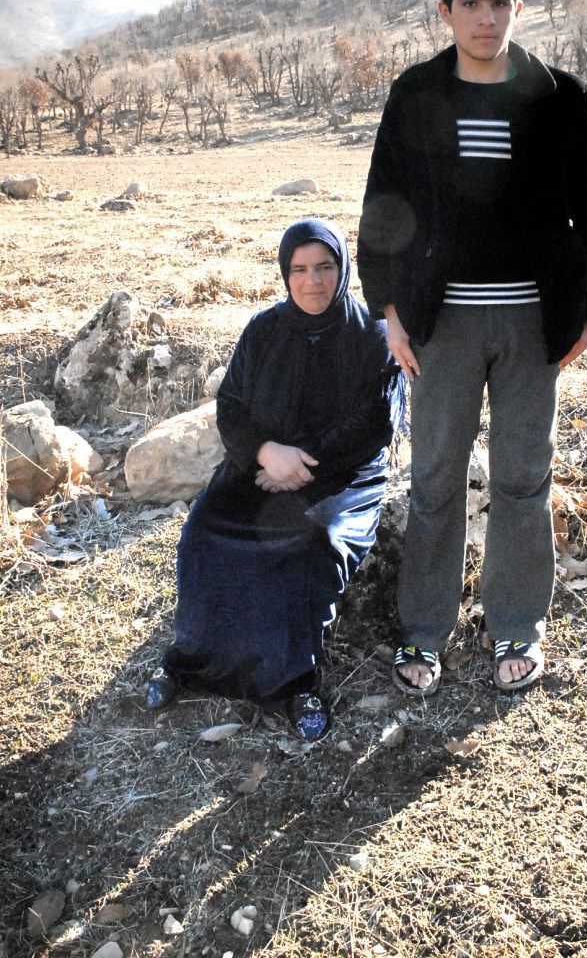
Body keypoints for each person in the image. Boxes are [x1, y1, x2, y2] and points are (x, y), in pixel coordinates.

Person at [357, 0, 587, 696]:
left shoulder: (557, 95)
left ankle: (514, 623)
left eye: (500, 1)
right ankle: (423, 631)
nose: (485, 15)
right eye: (470, 1)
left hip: (534, 325)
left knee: (522, 478)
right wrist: (387, 312)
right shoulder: (415, 93)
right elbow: (383, 207)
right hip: (442, 324)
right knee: (434, 476)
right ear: (444, 11)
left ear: (518, 8)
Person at [146, 219, 404, 739]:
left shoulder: (372, 335)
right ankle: (192, 663)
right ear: (285, 274)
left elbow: (375, 423)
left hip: (342, 476)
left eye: (326, 267)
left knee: (316, 543)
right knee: (206, 527)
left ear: (343, 268)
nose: (314, 282)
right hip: (259, 467)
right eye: (300, 269)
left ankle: (294, 685)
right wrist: (266, 453)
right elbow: (232, 407)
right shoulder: (263, 330)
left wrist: (299, 464)